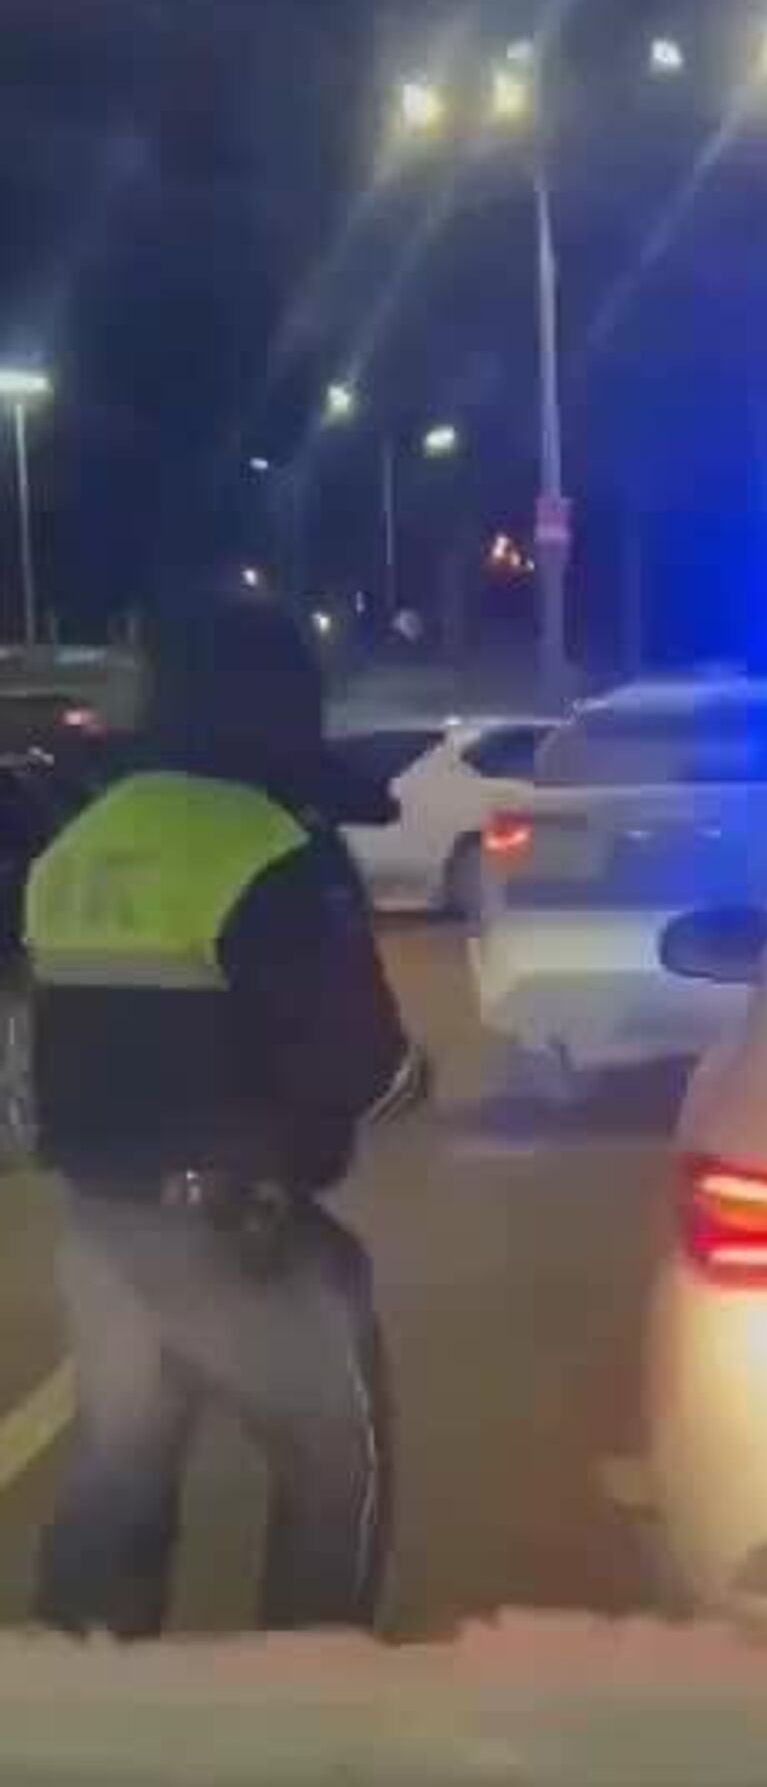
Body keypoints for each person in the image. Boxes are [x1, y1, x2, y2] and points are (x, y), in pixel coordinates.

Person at [26, 586, 428, 1639]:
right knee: (336, 1465)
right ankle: (306, 1690)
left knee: (121, 1473)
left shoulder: (80, 843)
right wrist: (410, 1080)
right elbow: (362, 1064)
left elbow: (45, 1049)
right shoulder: (268, 846)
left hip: (99, 1227)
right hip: (239, 1233)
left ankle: (78, 1684)